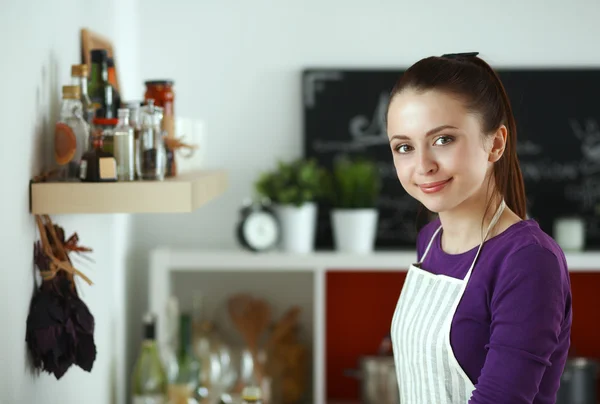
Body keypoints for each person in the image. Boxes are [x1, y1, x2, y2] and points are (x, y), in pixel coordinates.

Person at [387, 52, 572, 404]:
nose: (423, 165)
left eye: (443, 140)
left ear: (496, 143)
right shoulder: (430, 241)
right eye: (404, 147)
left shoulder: (529, 260)